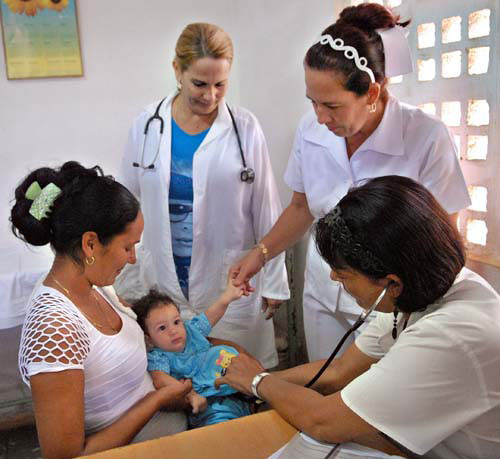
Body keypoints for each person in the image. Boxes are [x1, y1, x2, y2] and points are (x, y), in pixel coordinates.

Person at [231, 2, 471, 362]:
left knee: (378, 406)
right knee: (326, 384)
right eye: (312, 101)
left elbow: (444, 239)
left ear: (371, 94)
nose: (319, 117)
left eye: (332, 105)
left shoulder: (425, 136)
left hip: (392, 304)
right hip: (325, 292)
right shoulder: (311, 130)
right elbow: (301, 207)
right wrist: (261, 253)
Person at [217, 175, 500, 458]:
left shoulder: (452, 334)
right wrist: (253, 379)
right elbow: (339, 371)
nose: (333, 277)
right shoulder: (424, 288)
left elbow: (323, 420)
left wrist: (257, 381)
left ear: (391, 283)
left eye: (343, 276)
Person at [119, 22, 290, 369]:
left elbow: (267, 208)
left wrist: (273, 280)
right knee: (180, 382)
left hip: (230, 280)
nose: (210, 96)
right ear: (177, 71)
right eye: (200, 83)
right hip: (164, 284)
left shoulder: (245, 128)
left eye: (220, 85)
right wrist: (129, 280)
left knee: (241, 377)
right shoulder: (147, 125)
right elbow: (127, 208)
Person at [11, 162, 189, 458]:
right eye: (128, 247)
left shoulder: (96, 287)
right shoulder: (54, 329)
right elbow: (66, 455)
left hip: (168, 425)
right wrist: (156, 401)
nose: (133, 259)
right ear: (90, 243)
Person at [133, 276, 252, 429]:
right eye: (162, 328)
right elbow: (160, 379)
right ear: (148, 339)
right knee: (223, 430)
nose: (173, 331)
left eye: (176, 322)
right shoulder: (158, 356)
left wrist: (228, 296)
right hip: (209, 403)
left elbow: (211, 314)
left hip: (239, 388)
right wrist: (190, 395)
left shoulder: (191, 330)